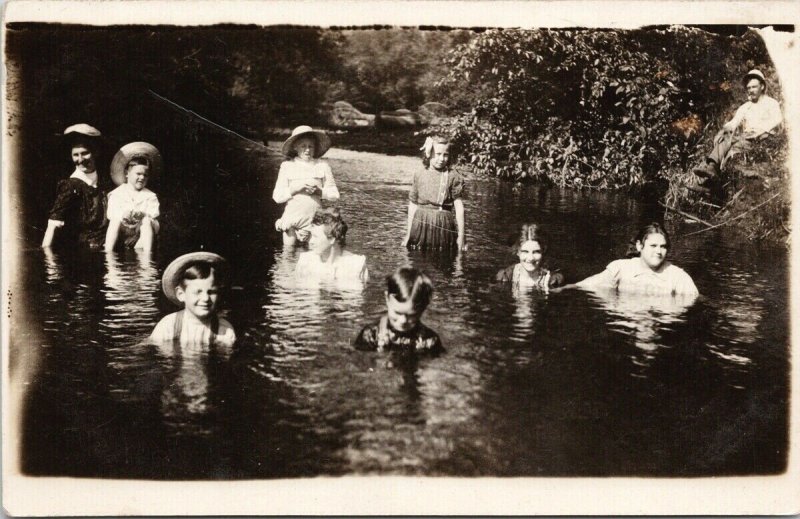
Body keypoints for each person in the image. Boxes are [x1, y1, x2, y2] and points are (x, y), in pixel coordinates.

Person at [691, 69, 783, 192]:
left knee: (734, 150)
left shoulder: (771, 103)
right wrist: (724, 130)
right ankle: (712, 167)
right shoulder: (746, 106)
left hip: (764, 136)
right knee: (724, 138)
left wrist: (760, 131)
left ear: (762, 86)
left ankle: (711, 184)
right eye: (749, 88)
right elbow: (734, 122)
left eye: (754, 87)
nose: (751, 90)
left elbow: (777, 119)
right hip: (747, 137)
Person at [572, 223, 699, 296]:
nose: (659, 252)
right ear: (639, 246)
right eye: (653, 246)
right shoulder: (620, 269)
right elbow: (585, 285)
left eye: (663, 247)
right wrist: (558, 288)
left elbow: (694, 299)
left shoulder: (677, 276)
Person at [149, 252, 236, 349]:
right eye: (197, 292)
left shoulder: (224, 331)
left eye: (211, 292)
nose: (206, 298)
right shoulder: (168, 326)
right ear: (181, 294)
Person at [42, 124, 109, 249]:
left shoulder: (105, 181)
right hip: (83, 252)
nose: (80, 159)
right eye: (75, 155)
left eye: (85, 153)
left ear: (96, 152)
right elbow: (53, 223)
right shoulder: (70, 186)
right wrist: (48, 261)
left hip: (106, 247)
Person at [272, 125, 340, 246]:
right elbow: (277, 197)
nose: (307, 150)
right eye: (303, 146)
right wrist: (295, 189)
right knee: (288, 257)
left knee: (312, 257)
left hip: (314, 223)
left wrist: (320, 192)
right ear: (295, 147)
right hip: (292, 221)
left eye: (310, 146)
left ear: (315, 148)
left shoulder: (323, 166)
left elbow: (335, 195)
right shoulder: (287, 166)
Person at [354, 267, 443, 354]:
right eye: (397, 313)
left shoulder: (430, 341)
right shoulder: (371, 335)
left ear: (422, 309)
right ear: (387, 299)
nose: (403, 320)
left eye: (411, 315)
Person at [402, 135, 465, 251]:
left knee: (442, 257)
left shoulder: (453, 176)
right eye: (438, 154)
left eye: (445, 155)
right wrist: (408, 233)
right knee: (417, 257)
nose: (442, 159)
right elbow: (413, 205)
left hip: (443, 224)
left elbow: (459, 208)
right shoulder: (419, 174)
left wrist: (461, 237)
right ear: (428, 154)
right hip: (421, 223)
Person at [104, 142, 162, 251]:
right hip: (124, 231)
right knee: (115, 220)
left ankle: (146, 256)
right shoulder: (117, 193)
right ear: (127, 173)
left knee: (147, 221)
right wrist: (123, 215)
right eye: (138, 174)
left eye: (145, 175)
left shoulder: (150, 195)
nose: (142, 178)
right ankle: (108, 252)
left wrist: (143, 214)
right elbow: (111, 214)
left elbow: (154, 213)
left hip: (142, 231)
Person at [294, 208, 369, 283]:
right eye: (311, 236)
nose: (310, 241)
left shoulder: (356, 265)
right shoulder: (305, 261)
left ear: (332, 238)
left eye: (315, 236)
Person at [495, 223, 565, 289]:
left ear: (543, 251)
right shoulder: (505, 276)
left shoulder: (552, 280)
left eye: (536, 252)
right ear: (517, 252)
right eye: (525, 252)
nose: (530, 258)